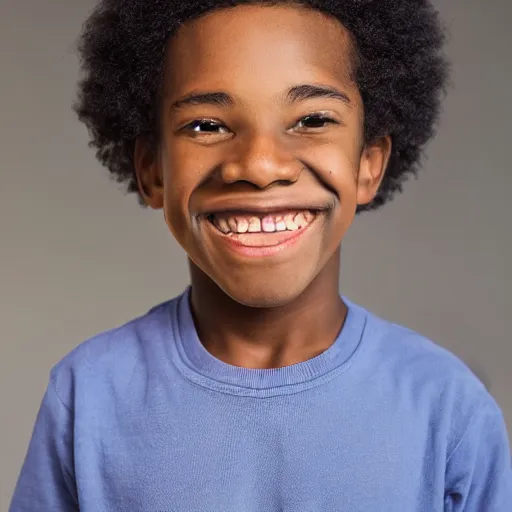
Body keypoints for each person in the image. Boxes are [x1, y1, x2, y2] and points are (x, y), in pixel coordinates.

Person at [10, 0, 512, 510]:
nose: (259, 164)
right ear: (152, 170)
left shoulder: (448, 407)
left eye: (313, 119)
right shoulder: (88, 395)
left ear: (368, 164)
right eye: (207, 125)